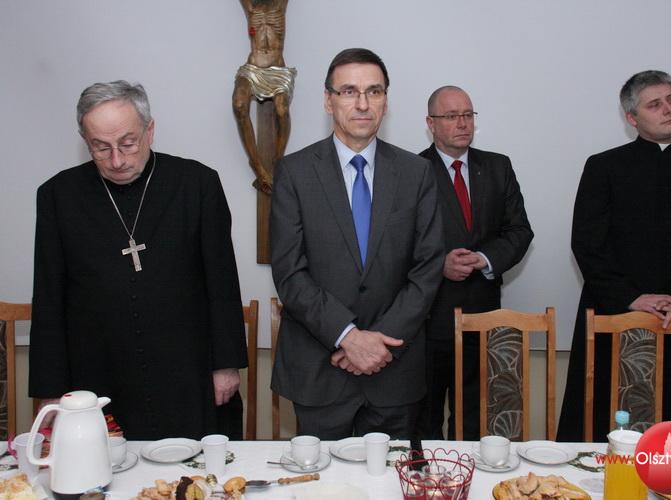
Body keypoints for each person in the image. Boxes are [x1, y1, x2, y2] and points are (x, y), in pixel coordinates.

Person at [29, 81, 248, 440]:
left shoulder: (197, 184)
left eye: (128, 143)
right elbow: (48, 297)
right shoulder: (57, 196)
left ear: (150, 130)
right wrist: (50, 389)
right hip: (97, 375)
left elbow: (221, 284)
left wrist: (226, 365)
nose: (116, 160)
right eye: (101, 147)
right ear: (85, 141)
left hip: (187, 370)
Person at [270, 48, 444, 439]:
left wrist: (378, 346)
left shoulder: (416, 173)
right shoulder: (295, 172)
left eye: (374, 91)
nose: (362, 104)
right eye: (349, 91)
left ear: (386, 101)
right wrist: (348, 337)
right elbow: (290, 273)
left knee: (392, 476)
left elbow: (428, 269)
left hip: (394, 371)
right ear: (328, 101)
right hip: (320, 370)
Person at [557, 70, 671, 441]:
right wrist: (632, 298)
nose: (668, 109)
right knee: (599, 426)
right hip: (613, 313)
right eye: (655, 104)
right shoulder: (603, 167)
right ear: (632, 118)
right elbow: (586, 244)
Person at [416, 86, 533, 440]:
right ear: (431, 124)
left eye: (468, 115)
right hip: (428, 319)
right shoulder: (412, 170)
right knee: (424, 421)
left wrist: (484, 258)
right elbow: (396, 243)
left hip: (483, 316)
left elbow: (519, 230)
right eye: (452, 116)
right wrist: (439, 264)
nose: (462, 123)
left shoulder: (498, 166)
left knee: (474, 421)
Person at [232, 0, 296, 194]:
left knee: (282, 110)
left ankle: (277, 161)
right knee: (239, 104)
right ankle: (257, 166)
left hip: (278, 70)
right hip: (253, 68)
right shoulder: (251, 6)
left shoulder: (280, 4)